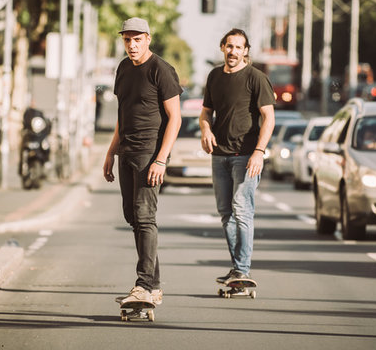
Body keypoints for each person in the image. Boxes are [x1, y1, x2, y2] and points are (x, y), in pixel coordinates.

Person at [103, 17, 182, 305]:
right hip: (127, 151)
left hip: (150, 153)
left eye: (137, 39)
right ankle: (154, 284)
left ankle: (144, 284)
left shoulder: (161, 70)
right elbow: (122, 115)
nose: (132, 45)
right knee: (132, 217)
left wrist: (161, 159)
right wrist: (111, 152)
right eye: (127, 39)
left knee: (145, 215)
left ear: (148, 38)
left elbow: (175, 117)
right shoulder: (123, 68)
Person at [199, 28, 275, 284]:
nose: (233, 51)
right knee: (225, 213)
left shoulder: (256, 78)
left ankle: (243, 269)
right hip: (219, 154)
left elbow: (269, 118)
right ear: (223, 47)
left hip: (246, 155)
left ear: (245, 51)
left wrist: (259, 152)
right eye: (229, 46)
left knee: (242, 210)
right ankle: (236, 268)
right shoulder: (214, 77)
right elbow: (206, 112)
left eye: (238, 47)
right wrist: (205, 129)